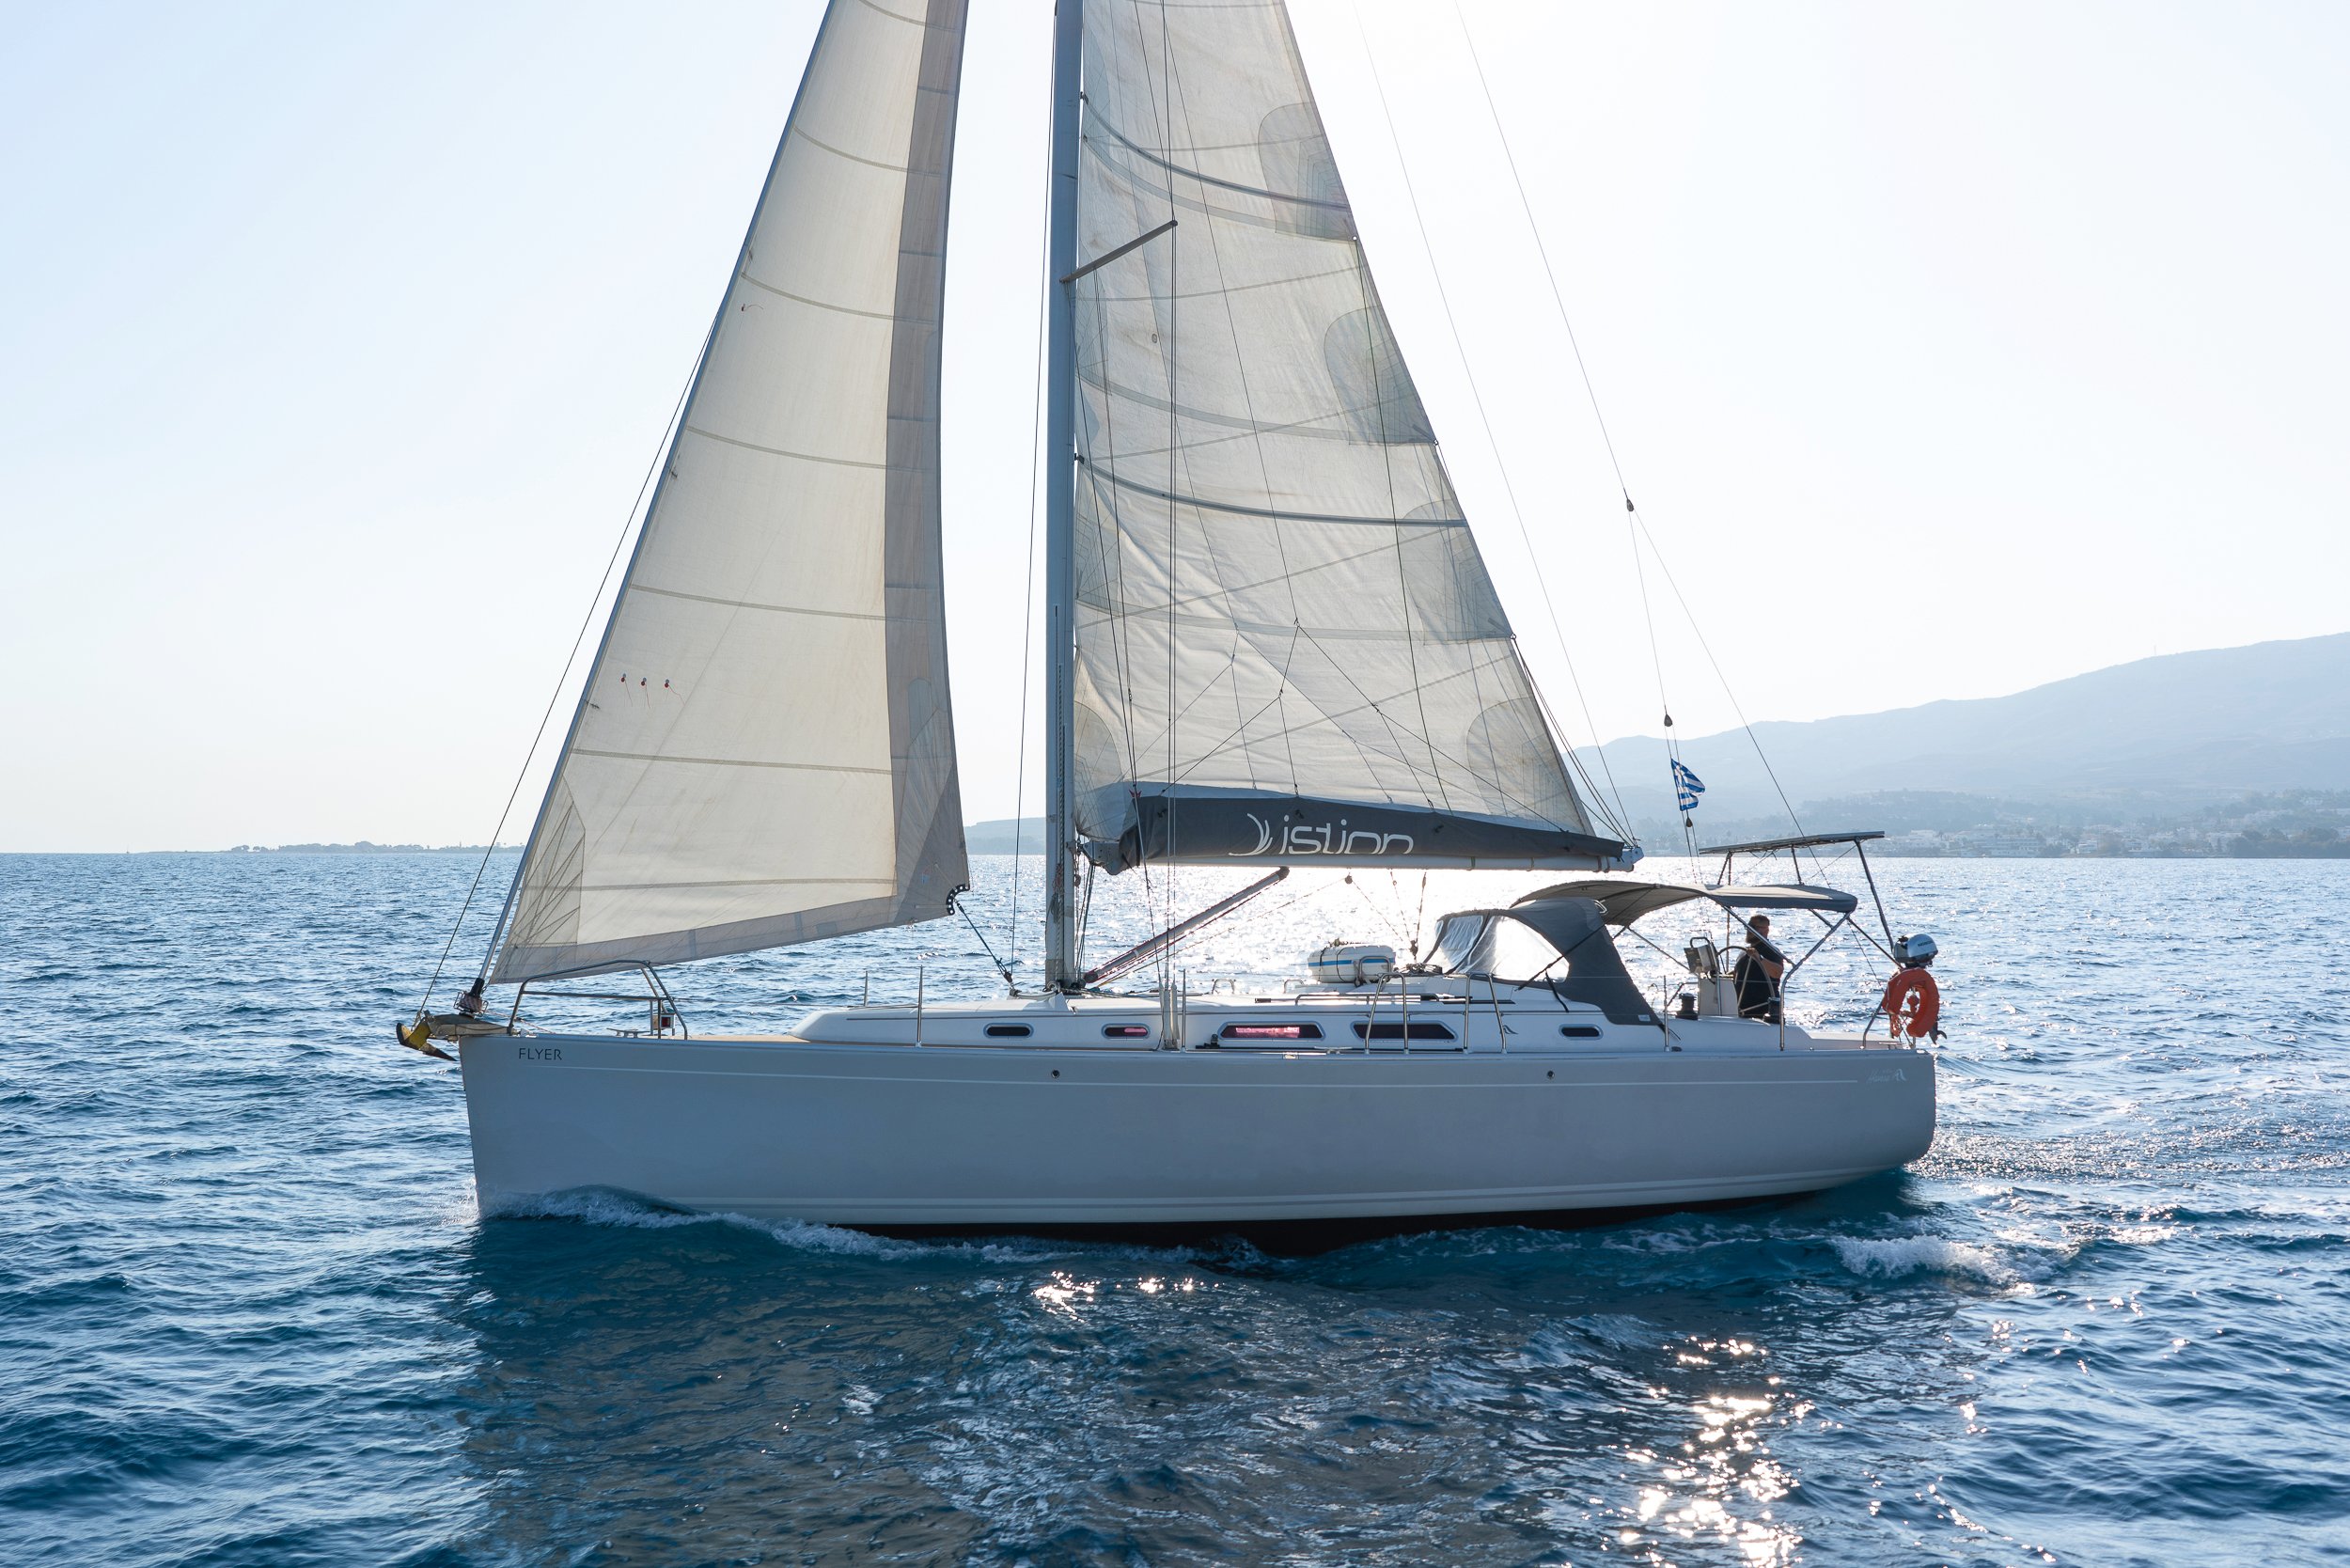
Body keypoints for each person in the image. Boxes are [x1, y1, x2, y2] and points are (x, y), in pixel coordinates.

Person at [1731, 915, 1785, 1023]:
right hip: (1742, 1011)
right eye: (1748, 926)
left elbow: (1777, 972)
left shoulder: (1770, 950)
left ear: (1766, 930)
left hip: (1761, 1012)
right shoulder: (1745, 952)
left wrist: (1759, 958)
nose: (1749, 929)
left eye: (1754, 927)